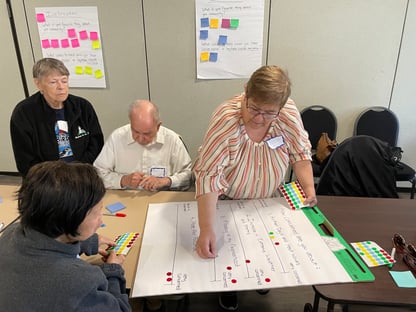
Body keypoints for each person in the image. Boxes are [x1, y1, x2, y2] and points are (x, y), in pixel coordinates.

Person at [193, 65, 317, 311]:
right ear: (245, 92)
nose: (259, 118)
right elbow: (208, 174)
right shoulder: (226, 118)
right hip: (228, 197)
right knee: (229, 250)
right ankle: (230, 289)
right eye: (254, 108)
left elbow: (299, 152)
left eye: (269, 113)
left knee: (263, 245)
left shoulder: (287, 112)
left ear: (281, 106)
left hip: (267, 197)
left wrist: (309, 188)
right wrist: (206, 228)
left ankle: (261, 276)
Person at [0, 161, 131, 312]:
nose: (101, 219)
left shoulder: (10, 233)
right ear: (72, 218)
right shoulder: (81, 282)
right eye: (97, 212)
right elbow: (120, 309)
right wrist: (113, 271)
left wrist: (86, 241)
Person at [10, 57, 104, 177]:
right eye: (53, 82)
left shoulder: (83, 107)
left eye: (64, 81)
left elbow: (96, 144)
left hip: (83, 175)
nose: (61, 87)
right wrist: (55, 177)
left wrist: (79, 171)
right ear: (38, 83)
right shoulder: (23, 113)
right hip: (45, 180)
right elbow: (25, 160)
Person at [94, 99, 193, 191]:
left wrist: (165, 181)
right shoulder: (117, 137)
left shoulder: (172, 140)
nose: (140, 138)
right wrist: (123, 180)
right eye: (135, 131)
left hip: (161, 197)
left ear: (158, 126)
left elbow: (188, 176)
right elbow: (97, 174)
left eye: (147, 134)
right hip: (126, 197)